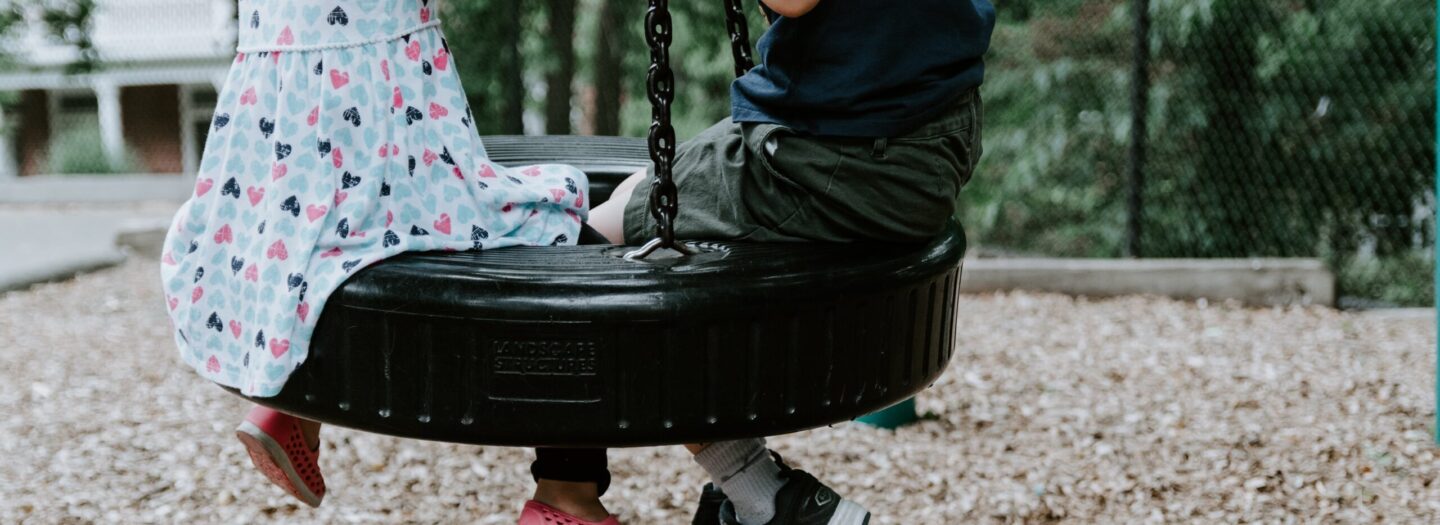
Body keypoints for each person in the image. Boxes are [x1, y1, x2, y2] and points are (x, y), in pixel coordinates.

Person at [159, 0, 608, 521]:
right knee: (555, 233)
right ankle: (568, 494)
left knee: (310, 234)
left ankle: (285, 398)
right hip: (380, 106)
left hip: (283, 122)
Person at [585, 0, 997, 523]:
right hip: (926, 125)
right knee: (632, 198)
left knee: (600, 238)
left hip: (852, 155)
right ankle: (757, 496)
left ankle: (573, 498)